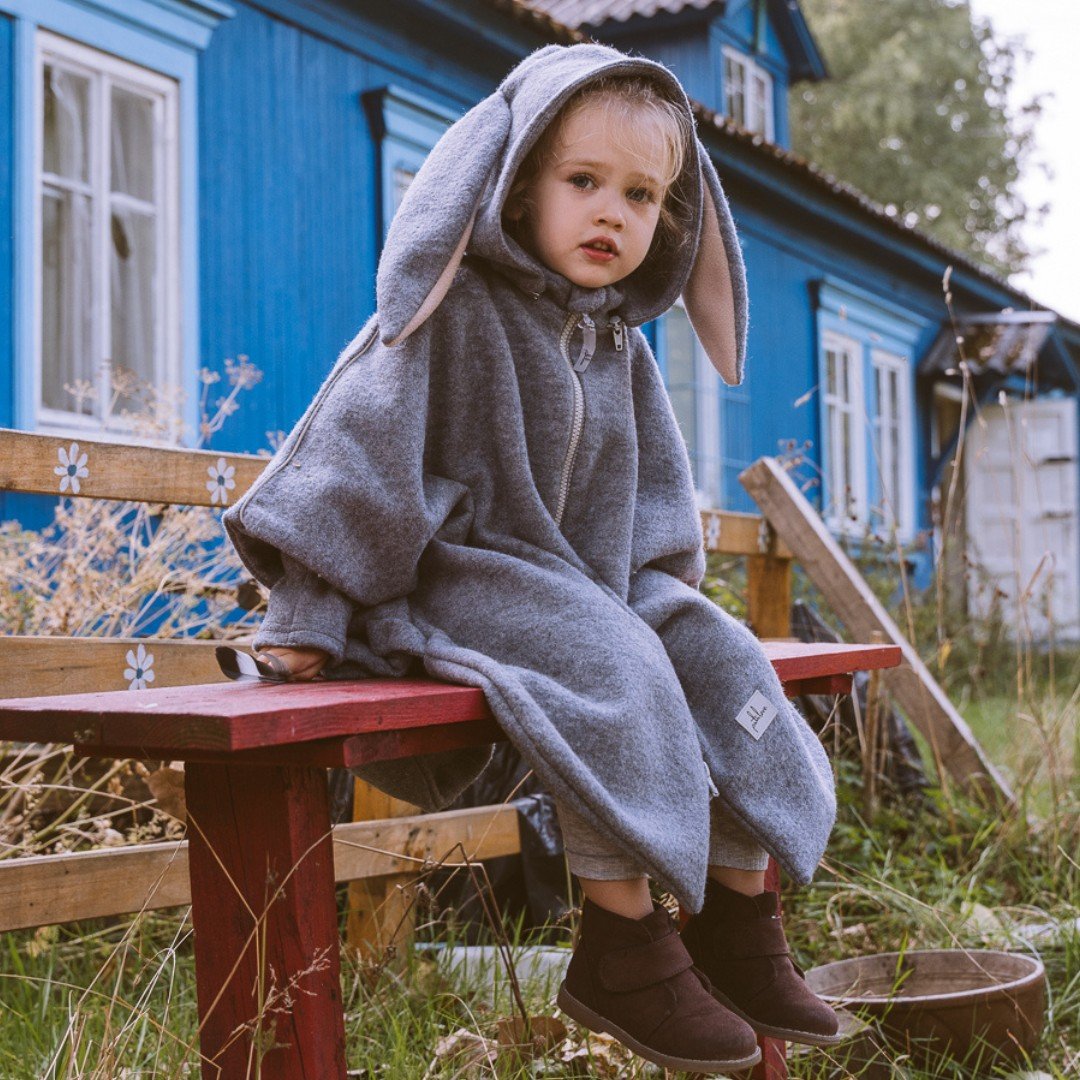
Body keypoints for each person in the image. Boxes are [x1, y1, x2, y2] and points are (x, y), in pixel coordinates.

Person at [223, 42, 841, 1075]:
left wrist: (674, 611)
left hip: (592, 588)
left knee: (718, 655)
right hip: (454, 580)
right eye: (583, 181)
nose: (613, 213)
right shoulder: (446, 313)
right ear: (514, 184)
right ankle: (621, 942)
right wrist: (306, 624)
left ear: (672, 219)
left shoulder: (619, 346)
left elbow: (650, 518)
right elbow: (349, 470)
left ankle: (736, 913)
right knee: (617, 662)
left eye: (642, 195)